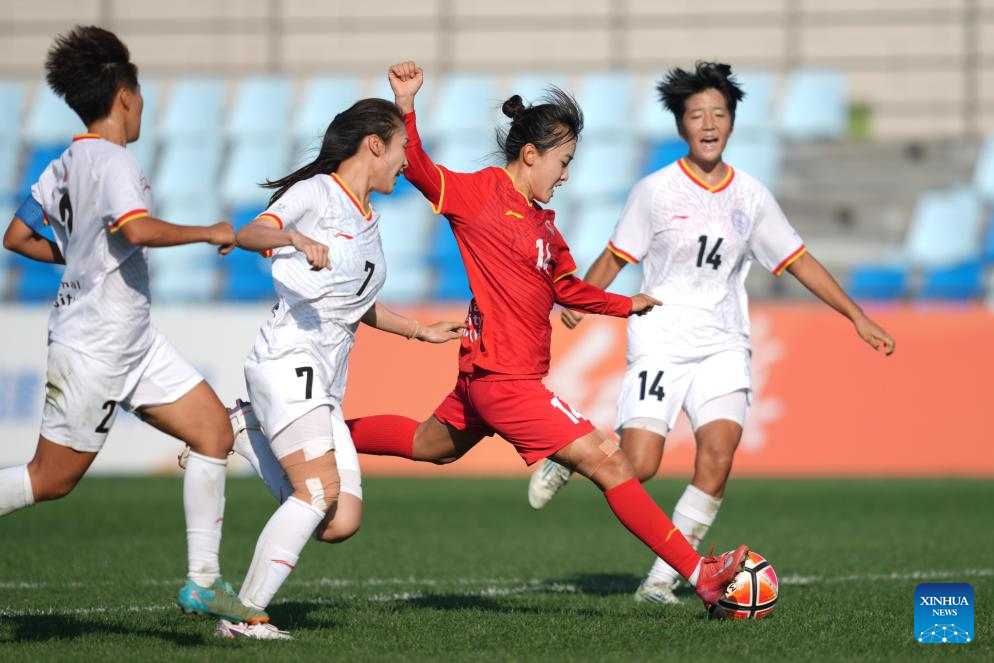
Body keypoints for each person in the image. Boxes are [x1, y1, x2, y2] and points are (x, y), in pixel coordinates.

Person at [328, 60, 750, 617]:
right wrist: (406, 104)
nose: (566, 176)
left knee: (430, 445)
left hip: (487, 378)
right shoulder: (479, 194)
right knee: (611, 463)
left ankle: (309, 432)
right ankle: (701, 576)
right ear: (531, 154)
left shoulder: (544, 225)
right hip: (506, 382)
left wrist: (626, 304)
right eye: (563, 161)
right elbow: (421, 169)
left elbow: (567, 289)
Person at [527, 61, 896, 605]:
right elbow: (616, 254)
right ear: (681, 125)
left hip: (724, 344)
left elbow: (797, 259)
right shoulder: (655, 191)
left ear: (731, 123)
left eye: (718, 113)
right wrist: (581, 300)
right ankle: (569, 459)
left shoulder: (751, 196)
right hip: (661, 340)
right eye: (696, 113)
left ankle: (660, 581)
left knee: (717, 460)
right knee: (640, 465)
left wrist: (856, 314)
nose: (708, 123)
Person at [0, 25, 264, 624]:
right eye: (140, 94)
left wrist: (82, 254)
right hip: (93, 348)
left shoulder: (64, 162)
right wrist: (210, 231)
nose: (143, 105)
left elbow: (16, 236)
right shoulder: (114, 160)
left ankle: (203, 582)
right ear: (124, 95)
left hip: (134, 341)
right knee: (50, 480)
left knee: (213, 432)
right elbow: (135, 228)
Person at [218, 98, 464, 640]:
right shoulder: (317, 193)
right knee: (316, 492)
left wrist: (419, 331)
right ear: (375, 144)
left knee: (339, 521)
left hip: (326, 381)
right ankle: (244, 616)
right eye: (402, 148)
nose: (407, 160)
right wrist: (293, 236)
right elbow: (248, 234)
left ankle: (245, 431)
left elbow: (356, 303)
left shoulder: (368, 219)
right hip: (290, 358)